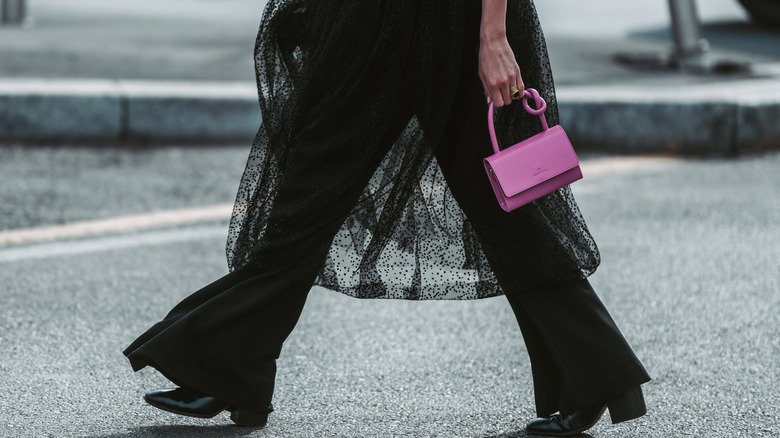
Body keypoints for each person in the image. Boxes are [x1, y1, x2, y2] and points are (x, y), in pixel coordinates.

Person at [124, 0, 651, 435]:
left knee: (494, 200)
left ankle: (597, 371)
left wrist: (492, 35)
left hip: (452, 23)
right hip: (365, 18)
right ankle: (596, 371)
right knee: (310, 194)